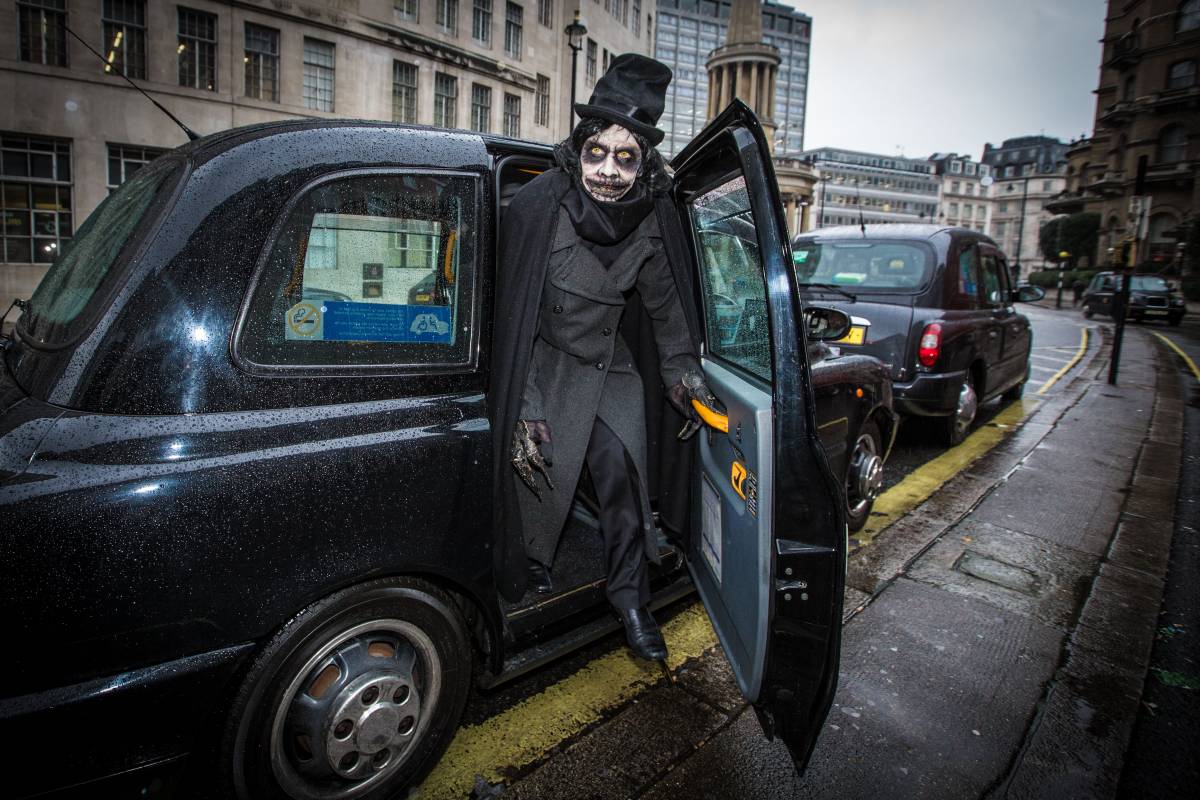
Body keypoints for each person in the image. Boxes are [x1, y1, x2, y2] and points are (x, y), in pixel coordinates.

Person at [488, 54, 718, 662]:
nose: (609, 171)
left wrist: (683, 373)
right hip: (544, 363)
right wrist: (522, 405)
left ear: (644, 164)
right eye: (598, 153)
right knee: (540, 465)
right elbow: (511, 317)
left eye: (626, 157)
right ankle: (533, 559)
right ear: (578, 149)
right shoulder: (539, 207)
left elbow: (667, 313)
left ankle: (632, 600)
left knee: (622, 476)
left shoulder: (650, 221)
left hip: (607, 365)